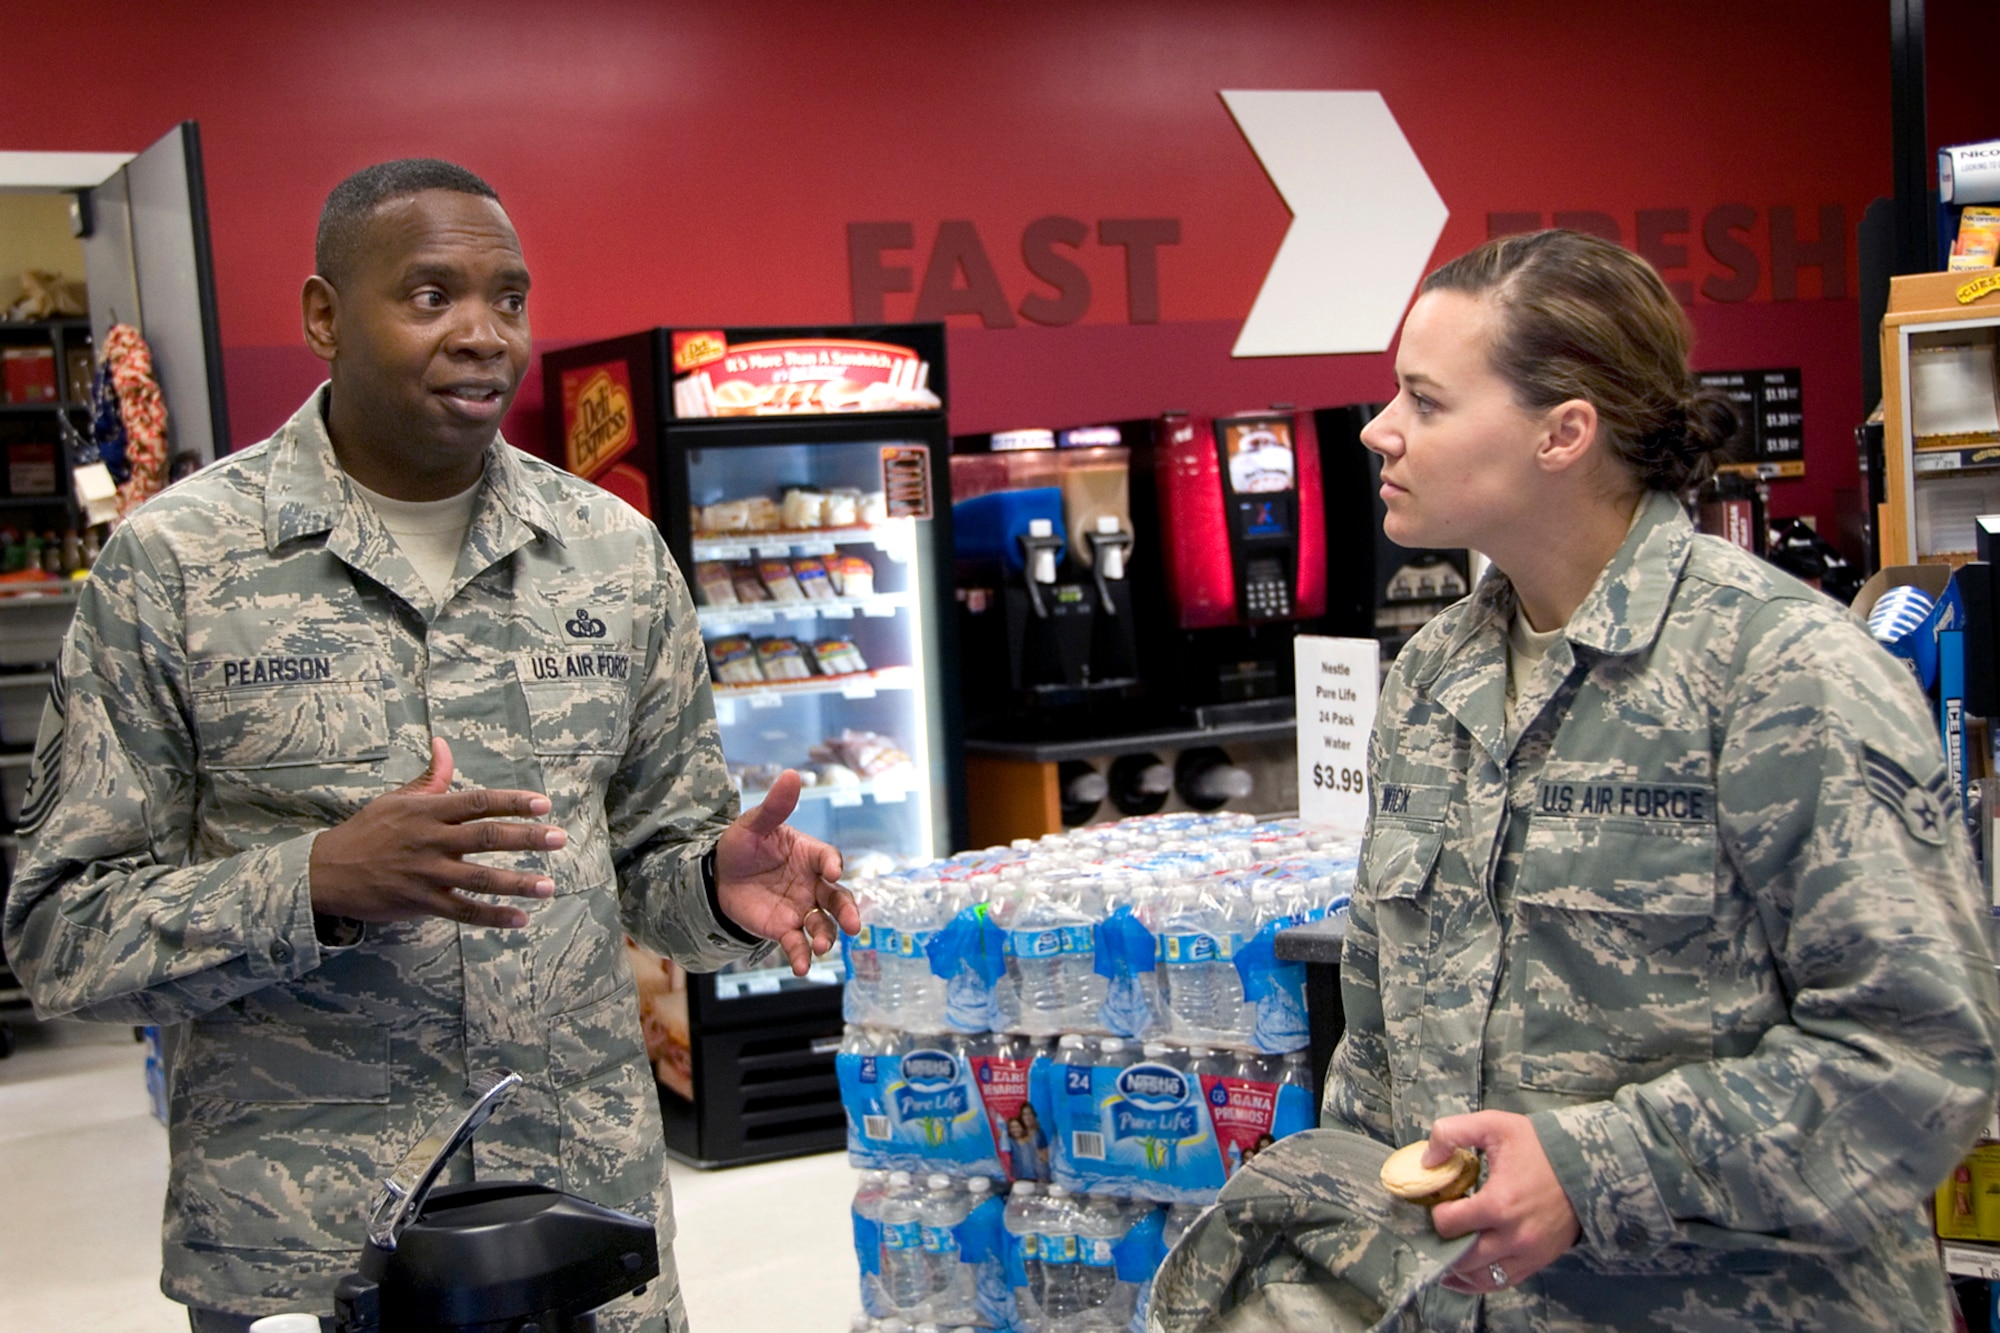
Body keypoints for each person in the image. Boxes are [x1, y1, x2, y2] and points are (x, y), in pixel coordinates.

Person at [2, 159, 856, 1333]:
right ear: (322, 316)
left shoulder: (611, 553)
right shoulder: (176, 567)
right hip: (311, 1256)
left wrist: (715, 884)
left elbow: (655, 861)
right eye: (428, 295)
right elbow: (59, 934)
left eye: (507, 297)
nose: (481, 335)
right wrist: (313, 883)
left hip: (583, 1233)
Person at [1317, 229, 2000, 1329]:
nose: (1377, 430)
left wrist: (1593, 1167)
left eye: (1425, 401)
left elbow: (1921, 1059)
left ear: (1563, 432)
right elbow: (1376, 1040)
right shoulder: (1432, 677)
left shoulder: (1783, 674)